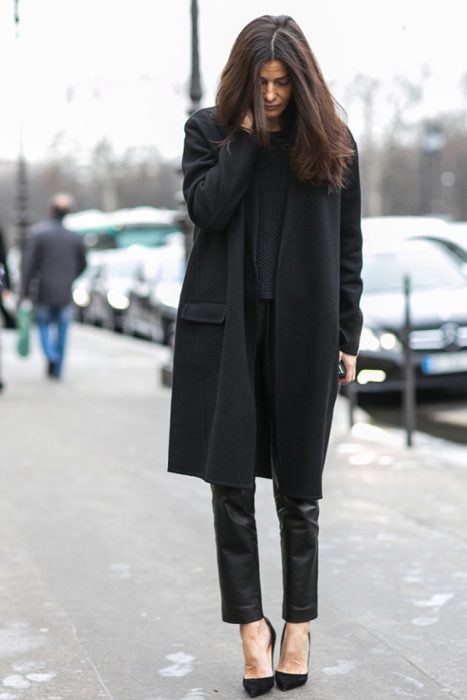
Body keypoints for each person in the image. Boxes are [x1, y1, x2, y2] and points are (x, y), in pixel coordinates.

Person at [168, 15, 363, 697]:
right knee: (229, 485)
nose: (272, 94)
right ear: (242, 80)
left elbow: (347, 250)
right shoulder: (208, 133)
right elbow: (207, 210)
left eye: (282, 83)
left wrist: (347, 334)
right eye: (262, 82)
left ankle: (298, 624)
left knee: (299, 490)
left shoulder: (331, 141)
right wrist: (246, 144)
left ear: (300, 80)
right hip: (227, 330)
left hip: (305, 333)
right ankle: (251, 627)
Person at [22, 193, 86, 379]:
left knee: (42, 324)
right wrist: (70, 277)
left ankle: (50, 354)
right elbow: (83, 264)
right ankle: (57, 365)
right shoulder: (74, 237)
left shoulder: (40, 234)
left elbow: (29, 266)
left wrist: (25, 293)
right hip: (65, 291)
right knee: (63, 329)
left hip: (44, 290)